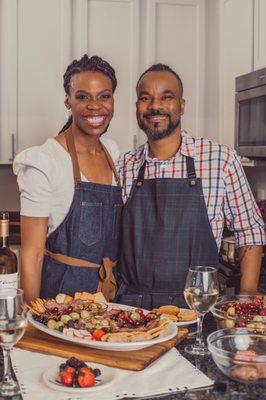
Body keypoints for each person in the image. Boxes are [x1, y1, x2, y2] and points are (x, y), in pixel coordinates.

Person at [116, 64, 266, 310]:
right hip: (132, 311)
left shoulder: (220, 159)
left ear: (181, 105)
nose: (155, 106)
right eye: (146, 98)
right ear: (137, 107)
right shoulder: (124, 166)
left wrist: (247, 296)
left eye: (167, 97)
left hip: (196, 308)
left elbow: (250, 229)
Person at [13, 55, 123, 303]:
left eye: (104, 96)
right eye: (83, 96)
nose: (95, 106)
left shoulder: (114, 154)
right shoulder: (45, 161)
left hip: (110, 298)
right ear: (68, 101)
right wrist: (32, 318)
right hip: (61, 300)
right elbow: (33, 254)